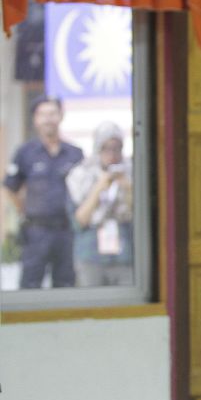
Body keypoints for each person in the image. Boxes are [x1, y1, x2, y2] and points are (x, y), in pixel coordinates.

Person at [2, 95, 83, 288]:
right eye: (43, 114)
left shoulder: (75, 153)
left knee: (66, 285)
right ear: (35, 119)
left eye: (52, 113)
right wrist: (23, 209)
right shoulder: (25, 152)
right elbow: (9, 187)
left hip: (67, 230)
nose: (48, 118)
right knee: (30, 284)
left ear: (61, 116)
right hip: (36, 231)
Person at [66, 121, 134, 286]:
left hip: (124, 254)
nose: (112, 154)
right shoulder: (80, 174)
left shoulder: (132, 172)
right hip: (91, 255)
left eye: (117, 148)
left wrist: (128, 189)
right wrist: (99, 188)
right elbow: (78, 220)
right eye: (106, 148)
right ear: (97, 149)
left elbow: (141, 216)